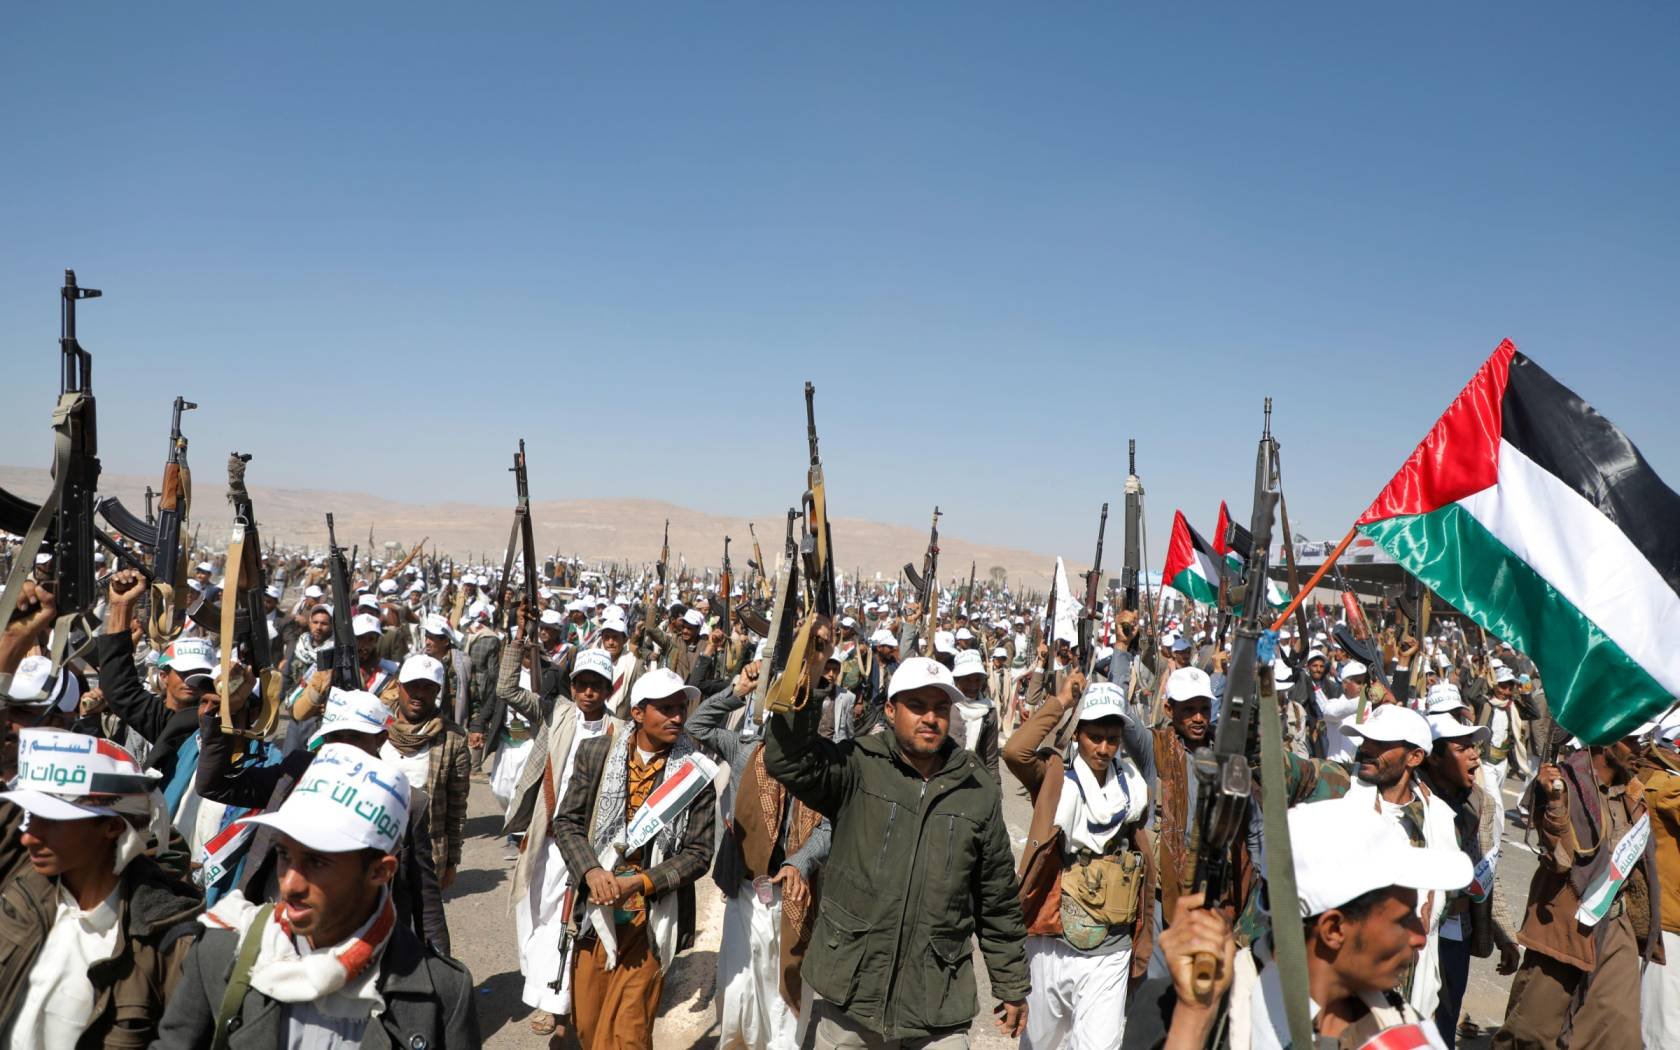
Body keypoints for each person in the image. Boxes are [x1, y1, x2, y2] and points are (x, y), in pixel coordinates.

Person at [764, 653, 1029, 1048]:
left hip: (936, 1001)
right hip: (853, 990)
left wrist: (1010, 983)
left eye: (941, 708)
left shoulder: (977, 790)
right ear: (890, 710)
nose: (931, 718)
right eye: (917, 706)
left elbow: (997, 898)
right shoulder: (858, 765)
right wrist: (810, 679)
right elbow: (788, 761)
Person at [153, 743, 479, 1047]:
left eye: (318, 862)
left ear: (380, 872)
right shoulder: (221, 951)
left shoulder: (442, 992)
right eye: (283, 854)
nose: (289, 884)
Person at [1159, 798, 1470, 1049]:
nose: (1419, 938)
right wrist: (1193, 1019)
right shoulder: (1187, 1013)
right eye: (1403, 920)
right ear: (1333, 929)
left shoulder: (1400, 1025)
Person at [195, 686, 450, 954]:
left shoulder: (405, 801)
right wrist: (217, 718)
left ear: (380, 739)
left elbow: (424, 892)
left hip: (356, 944)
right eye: (334, 737)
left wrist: (440, 966)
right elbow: (214, 787)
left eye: (354, 736)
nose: (343, 746)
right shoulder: (297, 772)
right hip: (279, 928)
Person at [0, 729, 200, 1049]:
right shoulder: (21, 890)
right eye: (29, 817)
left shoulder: (168, 943)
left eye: (52, 819)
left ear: (112, 826)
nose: (29, 836)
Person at [553, 667, 719, 1050]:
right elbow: (567, 822)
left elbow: (698, 855)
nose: (678, 717)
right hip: (595, 913)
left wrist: (639, 883)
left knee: (629, 1034)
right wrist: (592, 871)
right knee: (590, 1028)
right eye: (665, 708)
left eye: (681, 707)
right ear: (639, 712)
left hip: (652, 919)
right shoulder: (596, 753)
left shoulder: (696, 772)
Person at [1003, 679, 1153, 1050]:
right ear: (1078, 735)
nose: (1103, 748)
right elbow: (1014, 752)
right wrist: (1061, 702)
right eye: (1094, 737)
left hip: (1110, 946)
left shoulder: (1132, 788)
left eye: (1112, 739)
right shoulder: (1056, 778)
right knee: (1041, 1042)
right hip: (1053, 941)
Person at [690, 664, 833, 1050]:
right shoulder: (745, 750)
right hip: (744, 891)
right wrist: (737, 690)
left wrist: (799, 863)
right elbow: (697, 727)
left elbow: (827, 827)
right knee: (737, 989)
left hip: (794, 896)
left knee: (784, 985)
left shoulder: (821, 768)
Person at [1495, 729, 1660, 1049]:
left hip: (1615, 928)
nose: (1641, 747)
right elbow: (1560, 860)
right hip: (1566, 927)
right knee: (1532, 1033)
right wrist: (1554, 804)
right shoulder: (1565, 785)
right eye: (1633, 740)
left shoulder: (1633, 789)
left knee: (1618, 1035)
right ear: (1607, 739)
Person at [499, 642, 626, 1041]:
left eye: (597, 685)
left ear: (608, 690)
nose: (589, 692)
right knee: (533, 914)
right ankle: (545, 985)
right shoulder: (556, 714)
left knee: (564, 919)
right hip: (545, 835)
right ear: (572, 687)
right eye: (582, 684)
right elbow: (507, 690)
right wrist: (520, 640)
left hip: (584, 844)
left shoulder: (619, 732)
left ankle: (552, 1001)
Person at [1340, 704, 1461, 1019]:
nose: (1367, 749)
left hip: (1406, 989)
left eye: (1380, 744)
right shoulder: (1339, 788)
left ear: (1415, 757)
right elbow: (1288, 770)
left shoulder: (1439, 822)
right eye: (1366, 740)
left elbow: (1443, 902)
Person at [1417, 713, 1520, 1047]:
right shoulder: (1412, 798)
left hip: (1456, 933)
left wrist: (1505, 936)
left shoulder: (1481, 803)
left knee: (1444, 1025)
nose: (1476, 755)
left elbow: (1486, 871)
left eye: (1474, 747)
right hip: (1416, 933)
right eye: (1463, 748)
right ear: (1433, 757)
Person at [381, 653, 470, 889]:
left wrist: (452, 860)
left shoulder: (453, 740)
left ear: (437, 691)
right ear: (399, 687)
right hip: (375, 847)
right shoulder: (374, 728)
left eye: (428, 687)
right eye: (412, 686)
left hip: (425, 853)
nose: (419, 694)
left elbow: (457, 807)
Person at [948, 648, 1000, 782]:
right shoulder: (946, 705)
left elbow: (991, 759)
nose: (973, 685)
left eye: (977, 680)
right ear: (956, 680)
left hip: (973, 778)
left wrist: (995, 789)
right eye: (967, 680)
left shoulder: (988, 710)